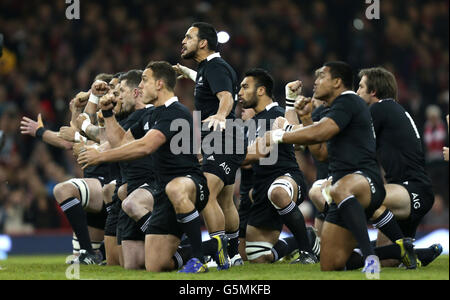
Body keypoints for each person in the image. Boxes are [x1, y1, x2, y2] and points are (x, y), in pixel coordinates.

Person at [78, 61, 212, 273]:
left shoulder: (175, 112)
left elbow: (145, 146)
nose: (140, 86)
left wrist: (101, 157)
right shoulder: (151, 115)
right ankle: (210, 247)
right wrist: (107, 113)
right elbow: (122, 142)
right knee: (154, 265)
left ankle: (199, 259)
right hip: (161, 193)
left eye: (145, 80)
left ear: (159, 84)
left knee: (175, 187)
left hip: (190, 184)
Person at [265, 61, 386, 272]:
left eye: (322, 77)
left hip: (365, 180)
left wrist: (278, 135)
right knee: (330, 263)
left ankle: (370, 258)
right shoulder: (335, 109)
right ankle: (392, 252)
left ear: (337, 82)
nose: (316, 82)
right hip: (343, 194)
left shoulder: (348, 101)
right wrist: (305, 118)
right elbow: (321, 153)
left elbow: (322, 132)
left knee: (337, 188)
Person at [174, 22, 245, 266]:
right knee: (225, 200)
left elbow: (225, 96)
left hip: (223, 137)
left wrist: (221, 115)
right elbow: (210, 83)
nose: (183, 41)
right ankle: (234, 254)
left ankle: (218, 253)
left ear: (203, 43)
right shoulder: (209, 68)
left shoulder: (215, 67)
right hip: (226, 137)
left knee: (205, 195)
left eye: (188, 37)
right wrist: (188, 73)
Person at [356, 67, 442, 267]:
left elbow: (355, 143)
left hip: (411, 190)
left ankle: (402, 248)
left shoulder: (380, 108)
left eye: (360, 87)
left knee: (362, 196)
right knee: (388, 262)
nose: (357, 91)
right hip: (408, 191)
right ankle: (420, 253)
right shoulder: (392, 110)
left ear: (373, 92)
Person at [239, 68, 318, 264]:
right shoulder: (252, 122)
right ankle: (304, 238)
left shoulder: (276, 115)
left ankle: (307, 252)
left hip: (287, 179)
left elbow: (300, 139)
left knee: (278, 192)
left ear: (261, 90)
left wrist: (292, 104)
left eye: (245, 87)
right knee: (256, 258)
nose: (240, 92)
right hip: (261, 188)